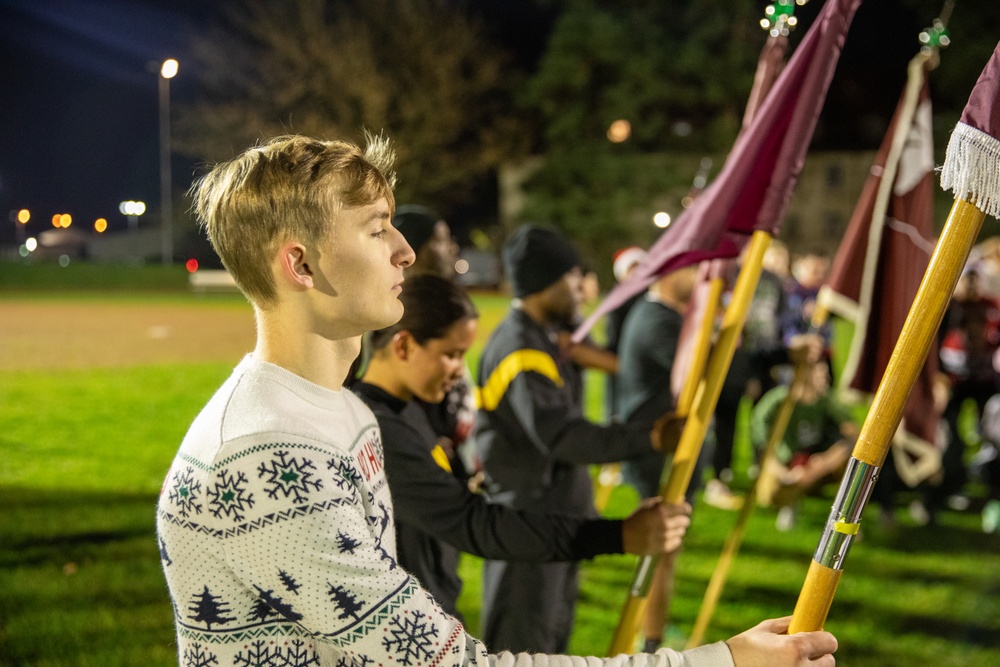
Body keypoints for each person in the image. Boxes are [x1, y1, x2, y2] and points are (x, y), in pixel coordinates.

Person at [156, 134, 838, 667]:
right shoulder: (265, 457)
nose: (404, 250)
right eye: (375, 228)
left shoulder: (343, 410)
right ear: (300, 264)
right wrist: (724, 657)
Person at [353, 273, 690, 618]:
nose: (459, 370)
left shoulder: (411, 409)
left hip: (429, 610)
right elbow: (473, 524)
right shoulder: (376, 431)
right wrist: (618, 535)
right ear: (404, 345)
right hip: (398, 626)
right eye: (451, 355)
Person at [474, 224, 687, 654]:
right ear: (544, 283)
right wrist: (650, 436)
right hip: (529, 528)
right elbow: (565, 437)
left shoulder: (544, 340)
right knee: (524, 650)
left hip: (553, 523)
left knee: (550, 645)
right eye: (573, 279)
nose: (583, 292)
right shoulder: (521, 349)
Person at [615, 264, 701, 651]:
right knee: (661, 551)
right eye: (695, 270)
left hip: (661, 450)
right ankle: (650, 642)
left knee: (667, 550)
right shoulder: (658, 322)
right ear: (669, 275)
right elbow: (708, 372)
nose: (702, 278)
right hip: (656, 453)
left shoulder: (662, 316)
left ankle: (654, 630)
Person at [752, 359, 859, 531]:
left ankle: (844, 515)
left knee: (850, 461)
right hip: (786, 464)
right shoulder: (779, 401)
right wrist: (783, 473)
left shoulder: (827, 400)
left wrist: (825, 462)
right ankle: (788, 505)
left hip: (817, 462)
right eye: (820, 374)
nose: (825, 378)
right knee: (767, 494)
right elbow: (761, 444)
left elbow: (854, 435)